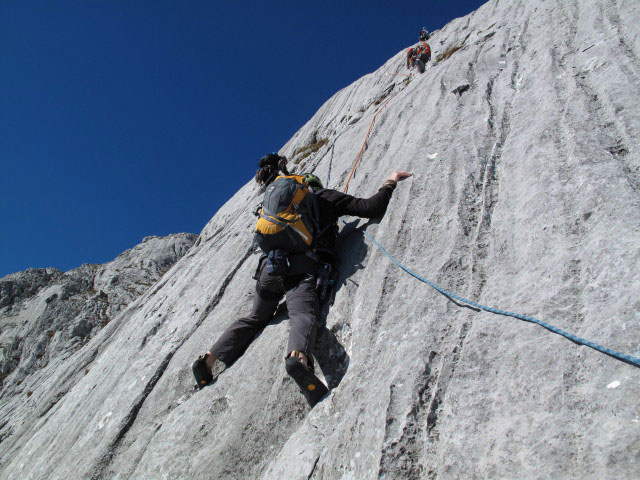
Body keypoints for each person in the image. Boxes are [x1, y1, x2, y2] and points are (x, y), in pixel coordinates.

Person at [192, 153, 412, 402]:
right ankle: (298, 359)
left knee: (254, 317)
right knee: (303, 314)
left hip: (270, 268)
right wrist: (390, 181)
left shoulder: (282, 204)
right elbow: (371, 208)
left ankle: (208, 360)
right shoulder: (328, 198)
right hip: (302, 268)